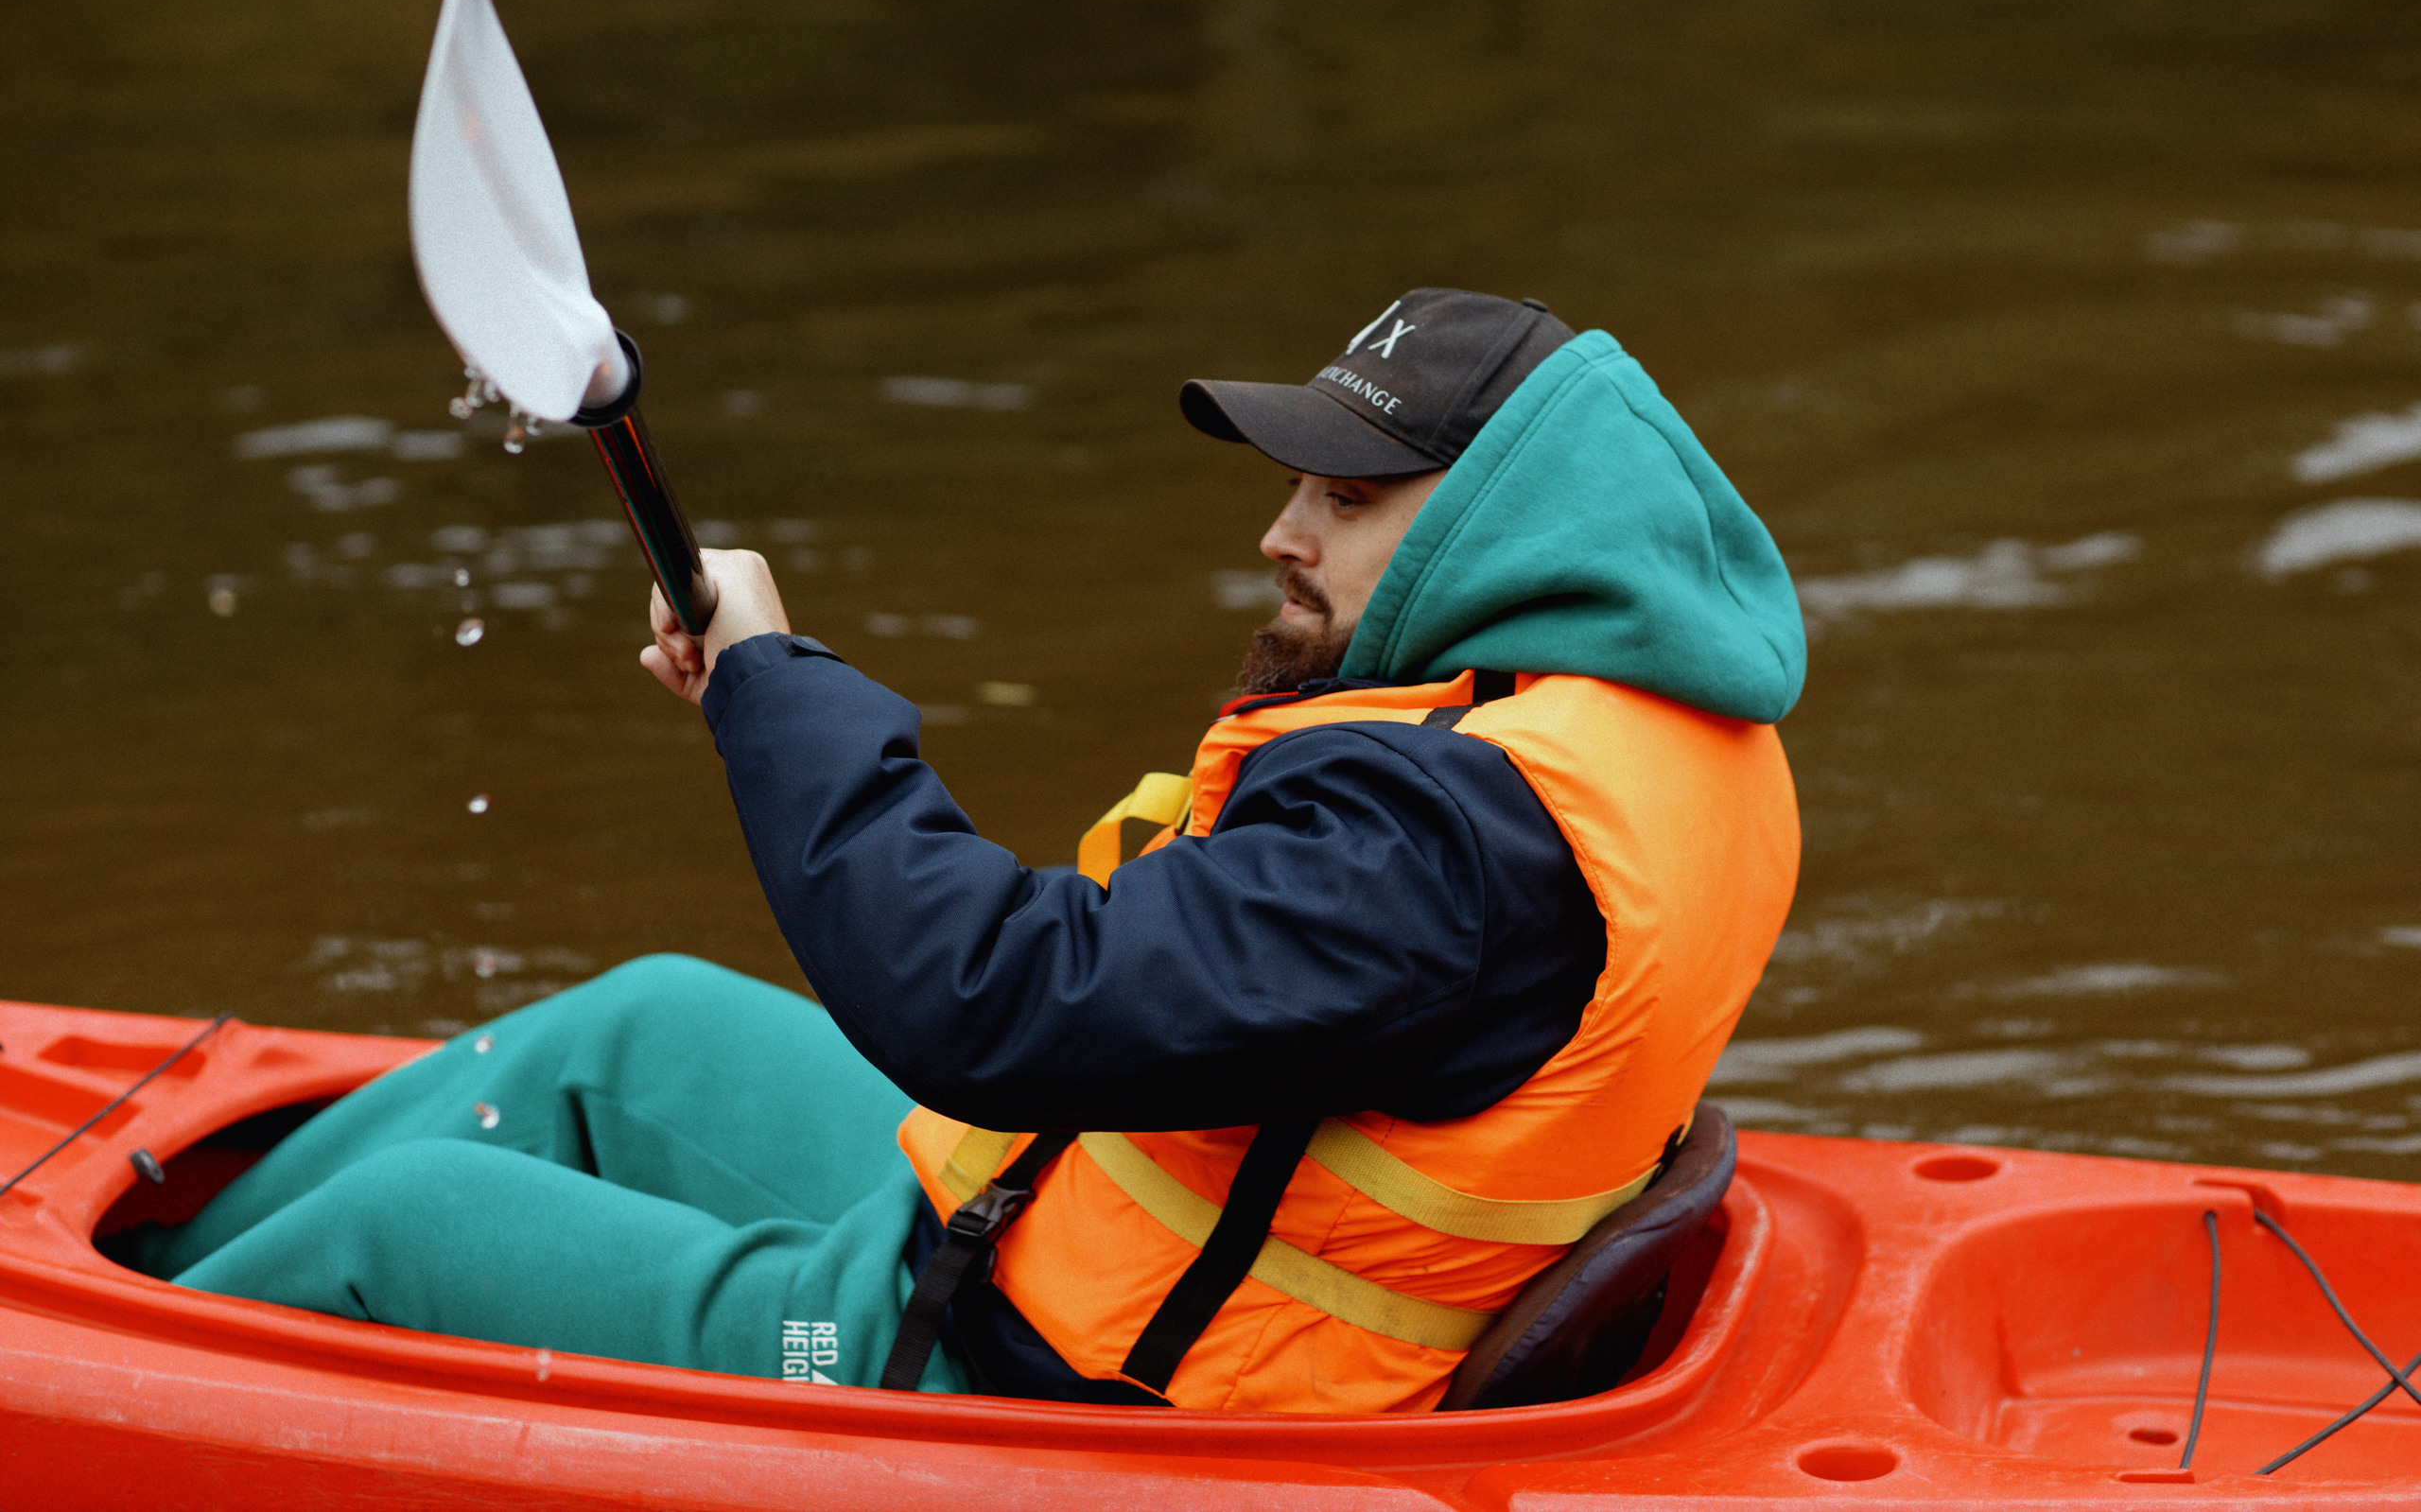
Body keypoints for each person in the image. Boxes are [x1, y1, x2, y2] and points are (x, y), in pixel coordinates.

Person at [130, 288, 1803, 1415]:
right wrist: (769, 693)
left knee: (409, 1221)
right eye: (1303, 486)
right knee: (634, 1024)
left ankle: (102, 1382)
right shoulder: (1634, 720)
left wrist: (777, 691)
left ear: (1508, 532)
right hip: (1047, 1213)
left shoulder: (1448, 854)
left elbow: (994, 999)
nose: (1281, 533)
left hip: (1044, 1380)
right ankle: (123, 1283)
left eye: (1348, 503)